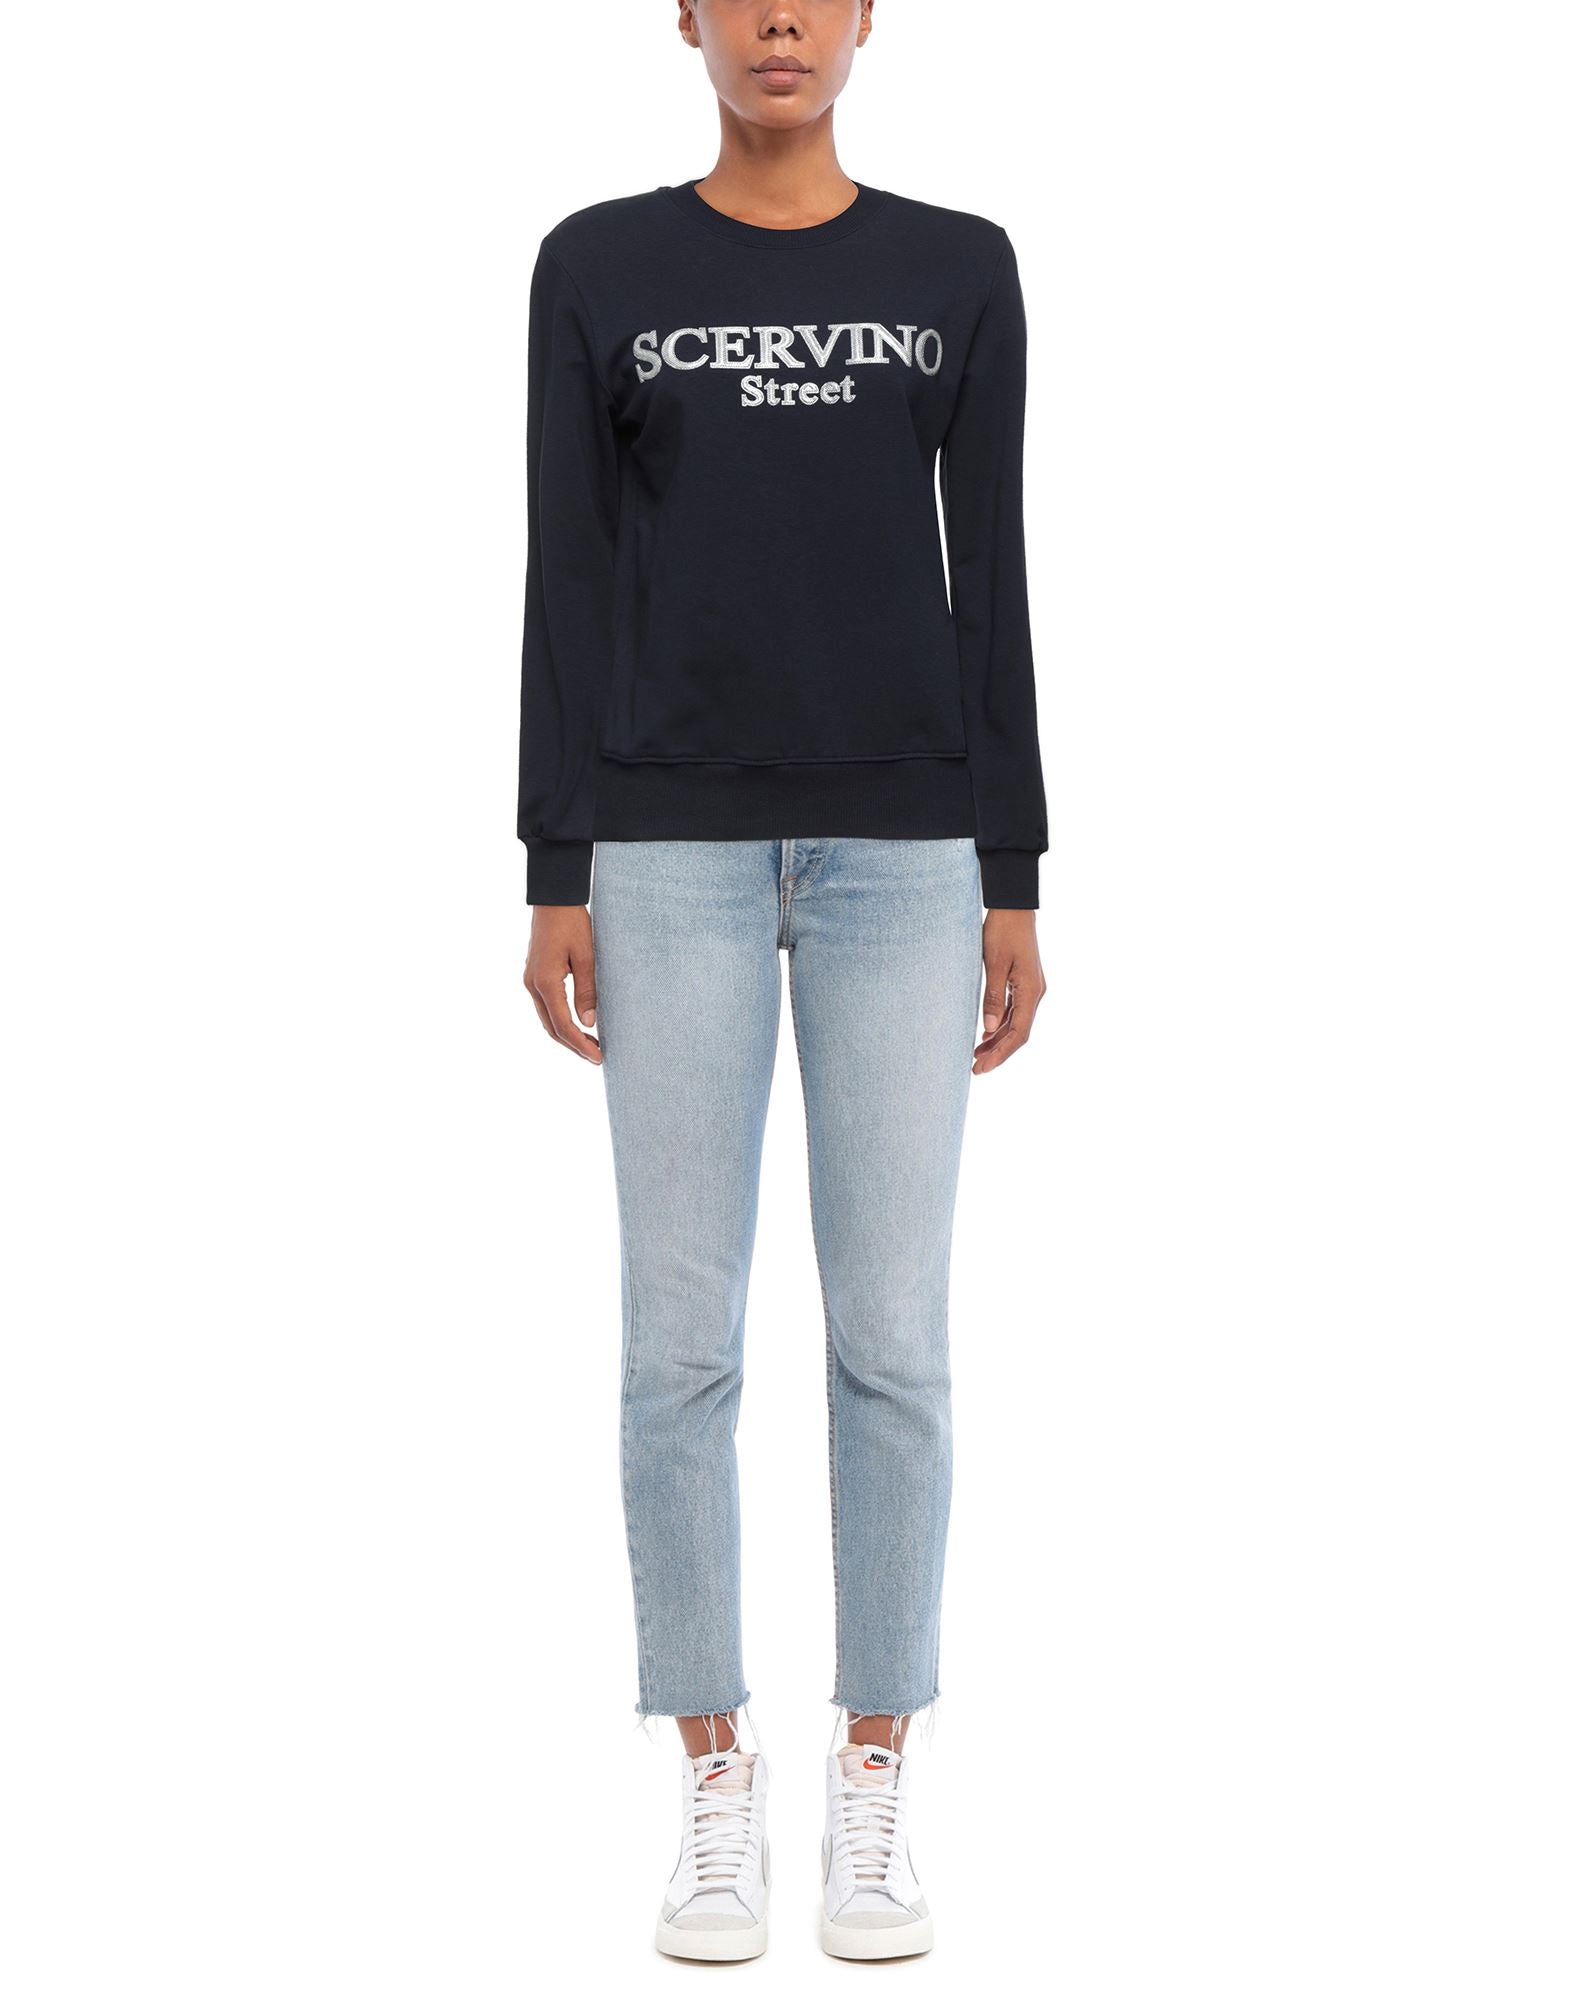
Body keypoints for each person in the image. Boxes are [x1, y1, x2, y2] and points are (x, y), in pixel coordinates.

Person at [518, 1, 1047, 1963]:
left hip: (908, 853)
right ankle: (714, 1772)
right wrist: (555, 859)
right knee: (680, 1344)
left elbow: (993, 575)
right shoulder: (599, 267)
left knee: (893, 1336)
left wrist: (1013, 865)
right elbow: (566, 574)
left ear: (866, 15)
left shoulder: (957, 268)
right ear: (683, 13)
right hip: (664, 852)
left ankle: (877, 1773)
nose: (778, 22)